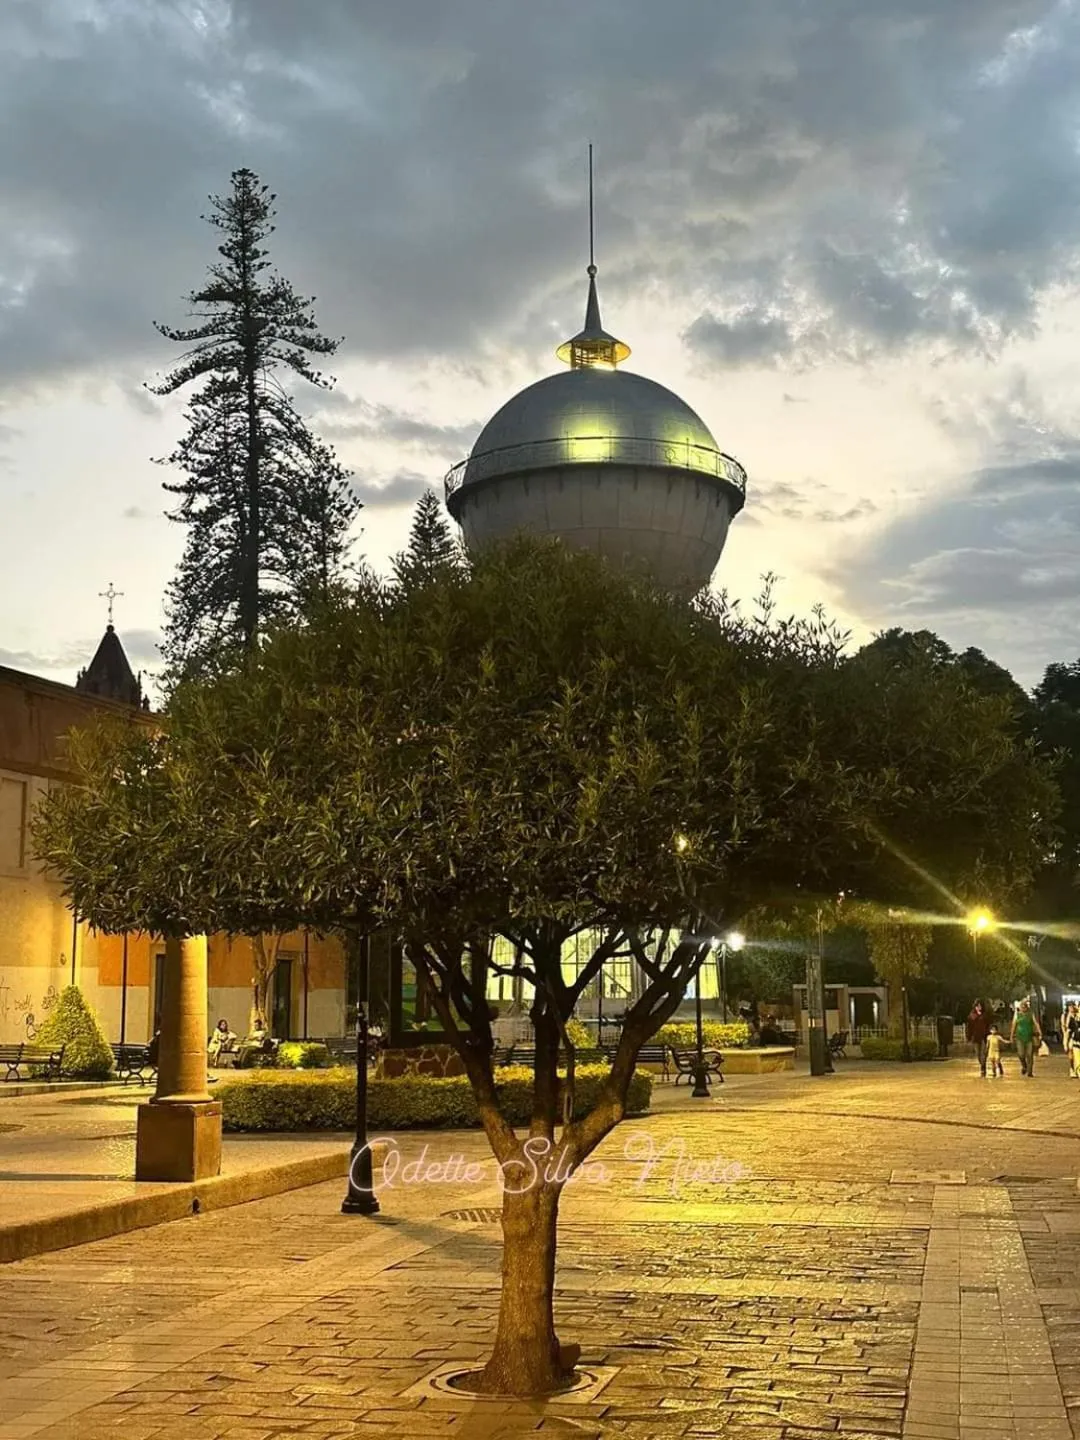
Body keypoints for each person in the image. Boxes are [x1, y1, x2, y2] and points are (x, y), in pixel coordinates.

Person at [1011, 998, 1042, 1077]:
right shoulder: (1017, 1014)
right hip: (1019, 1037)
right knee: (1021, 1054)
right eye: (1022, 1006)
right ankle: (1024, 1066)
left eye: (1024, 1006)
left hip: (1029, 1037)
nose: (1023, 1008)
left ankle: (1030, 1071)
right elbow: (1014, 1025)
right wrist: (1011, 1035)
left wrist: (1040, 1032)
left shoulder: (1031, 1014)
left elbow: (1036, 1023)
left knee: (1029, 1054)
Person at [966, 999, 993, 1077]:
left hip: (984, 1036)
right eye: (977, 1006)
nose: (979, 1007)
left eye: (980, 1006)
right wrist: (969, 1037)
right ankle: (982, 1065)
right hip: (975, 1037)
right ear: (975, 1007)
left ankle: (983, 1068)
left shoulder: (985, 1015)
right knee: (978, 1054)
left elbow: (989, 1024)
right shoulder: (971, 1016)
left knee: (984, 1053)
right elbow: (969, 1028)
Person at [1066, 1004, 1080, 1078]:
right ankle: (1072, 1068)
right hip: (1075, 1039)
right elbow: (1067, 1029)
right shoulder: (1072, 1017)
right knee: (1072, 1053)